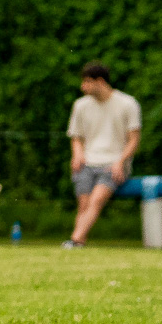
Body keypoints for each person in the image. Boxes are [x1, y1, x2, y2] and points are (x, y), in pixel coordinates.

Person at [62, 62, 141, 249]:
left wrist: (120, 162)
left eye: (87, 82)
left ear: (100, 81)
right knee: (84, 203)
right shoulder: (80, 106)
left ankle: (74, 240)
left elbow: (134, 140)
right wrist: (77, 155)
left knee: (97, 199)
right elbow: (76, 137)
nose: (83, 87)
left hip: (114, 164)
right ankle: (78, 242)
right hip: (88, 162)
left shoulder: (127, 104)